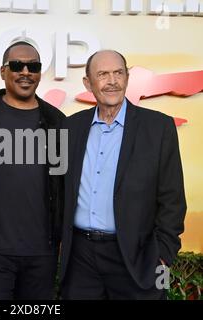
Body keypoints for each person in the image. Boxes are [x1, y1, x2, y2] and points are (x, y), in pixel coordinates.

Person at [60, 50, 186, 299]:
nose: (112, 81)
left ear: (128, 77)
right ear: (88, 83)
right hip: (80, 259)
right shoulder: (71, 127)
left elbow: (172, 199)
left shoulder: (159, 127)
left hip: (136, 256)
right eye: (103, 74)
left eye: (119, 73)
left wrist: (162, 256)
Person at [0, 39, 65, 300]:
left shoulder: (57, 122)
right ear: (3, 71)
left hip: (42, 256)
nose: (25, 72)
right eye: (17, 65)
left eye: (32, 66)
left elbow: (64, 184)